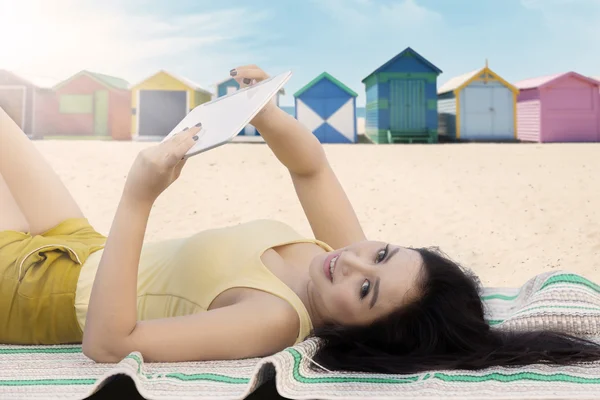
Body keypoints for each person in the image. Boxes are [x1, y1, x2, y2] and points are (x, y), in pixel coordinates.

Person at [1, 65, 599, 374]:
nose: (355, 261)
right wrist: (261, 110)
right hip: (80, 248)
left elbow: (109, 344)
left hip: (30, 292)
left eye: (366, 290)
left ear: (353, 331)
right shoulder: (335, 261)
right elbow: (311, 170)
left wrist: (138, 197)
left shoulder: (271, 319)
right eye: (384, 252)